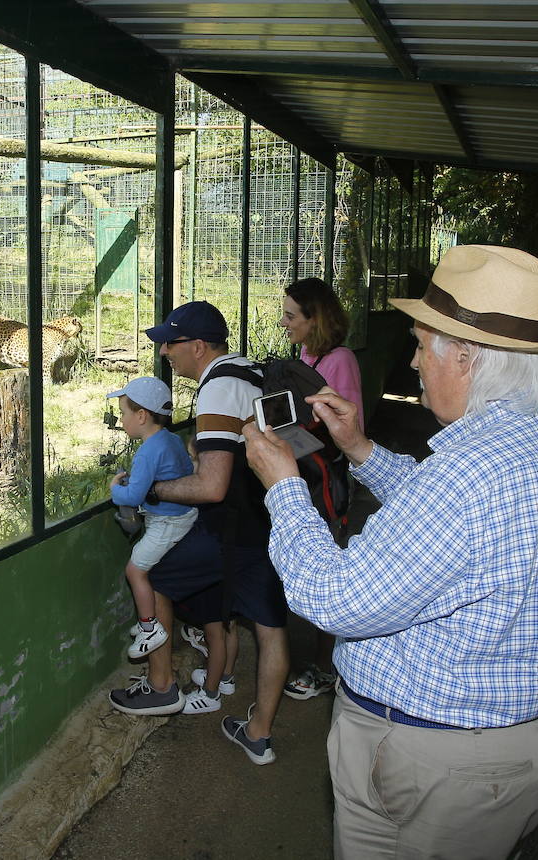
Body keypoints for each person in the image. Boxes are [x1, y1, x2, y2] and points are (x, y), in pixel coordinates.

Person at [243, 245, 538, 858]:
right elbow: (456, 530)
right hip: (525, 749)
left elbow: (334, 599)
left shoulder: (466, 474)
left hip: (440, 767)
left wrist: (283, 489)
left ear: (465, 358)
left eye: (419, 345)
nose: (412, 363)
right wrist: (359, 448)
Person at [107, 300, 290, 761]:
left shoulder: (216, 388)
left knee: (155, 576)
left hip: (236, 528)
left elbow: (211, 487)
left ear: (200, 346)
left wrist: (152, 491)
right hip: (273, 520)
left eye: (172, 342)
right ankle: (258, 734)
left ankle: (162, 685)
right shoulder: (246, 370)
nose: (166, 351)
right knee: (270, 630)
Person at [278, 277, 363, 701]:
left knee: (329, 566)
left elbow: (346, 429)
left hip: (324, 479)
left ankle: (328, 666)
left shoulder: (338, 360)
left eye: (291, 316)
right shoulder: (306, 356)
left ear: (316, 319)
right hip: (301, 473)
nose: (283, 322)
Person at [105, 376, 198, 660]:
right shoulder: (170, 439)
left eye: (123, 413)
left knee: (134, 571)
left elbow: (133, 497)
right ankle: (149, 624)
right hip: (185, 513)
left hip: (169, 522)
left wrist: (114, 491)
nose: (121, 420)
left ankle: (150, 628)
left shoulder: (148, 450)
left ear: (142, 415)